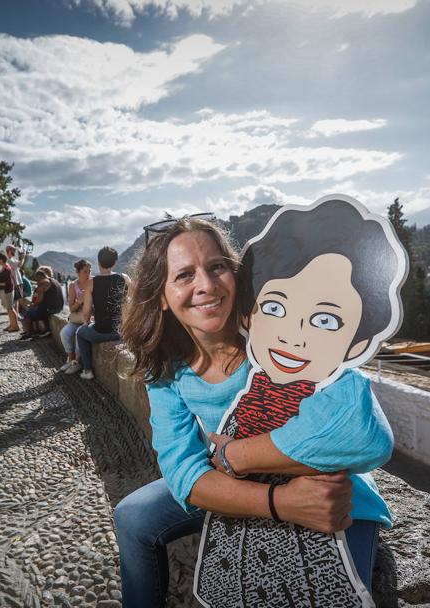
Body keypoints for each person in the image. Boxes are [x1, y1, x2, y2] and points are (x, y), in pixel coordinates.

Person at [114, 218, 365, 608]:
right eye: (184, 275)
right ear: (161, 296)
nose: (207, 286)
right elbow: (182, 472)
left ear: (235, 273)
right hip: (251, 486)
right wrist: (278, 503)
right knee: (131, 516)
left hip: (327, 492)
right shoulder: (165, 369)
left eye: (216, 267)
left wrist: (237, 457)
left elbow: (356, 432)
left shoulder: (279, 330)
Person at [194, 198, 403, 606]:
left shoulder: (341, 389)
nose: (293, 336)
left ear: (359, 341)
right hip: (247, 531)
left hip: (337, 516)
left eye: (325, 320)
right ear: (250, 316)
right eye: (275, 308)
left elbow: (365, 438)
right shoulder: (252, 380)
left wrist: (238, 455)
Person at [66, 247, 128, 380]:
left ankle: (87, 370)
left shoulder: (91, 283)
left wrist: (87, 323)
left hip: (101, 332)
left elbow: (87, 312)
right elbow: (131, 303)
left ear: (98, 262)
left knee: (80, 332)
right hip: (119, 332)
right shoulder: (124, 278)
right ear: (115, 262)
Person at [58, 259, 92, 372]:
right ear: (78, 272)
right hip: (76, 318)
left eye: (89, 271)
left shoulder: (92, 283)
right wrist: (80, 301)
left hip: (88, 319)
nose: (88, 274)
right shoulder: (73, 286)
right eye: (85, 272)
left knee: (79, 334)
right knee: (64, 333)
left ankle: (77, 362)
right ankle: (70, 359)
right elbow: (71, 309)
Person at [18, 269, 64, 340]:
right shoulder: (54, 280)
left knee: (28, 313)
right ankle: (34, 330)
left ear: (40, 277)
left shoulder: (43, 283)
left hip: (51, 308)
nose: (37, 282)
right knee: (33, 310)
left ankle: (28, 333)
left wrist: (32, 304)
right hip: (59, 306)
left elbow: (39, 299)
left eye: (37, 279)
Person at [0, 252, 20, 332]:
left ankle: (15, 326)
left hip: (8, 290)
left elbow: (7, 283)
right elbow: (3, 279)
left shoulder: (6, 268)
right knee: (8, 309)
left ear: (1, 260)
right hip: (5, 290)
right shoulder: (4, 267)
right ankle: (12, 324)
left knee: (10, 308)